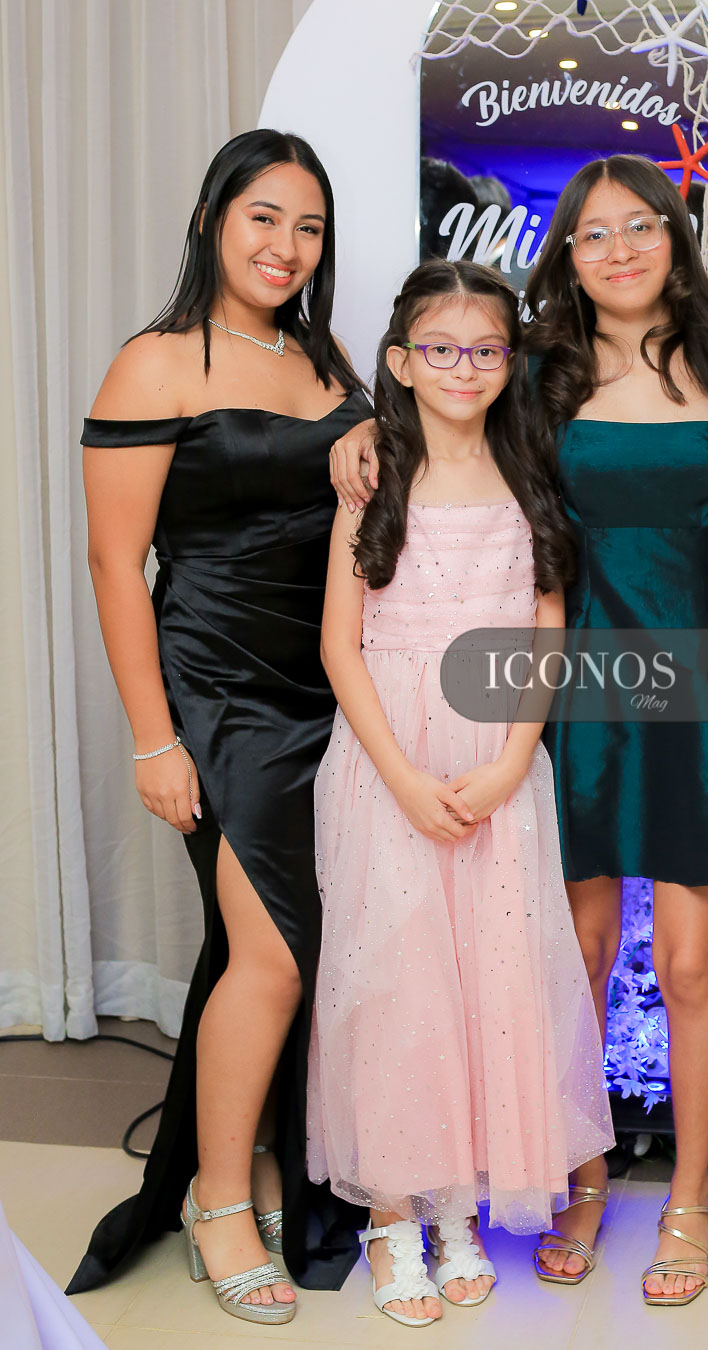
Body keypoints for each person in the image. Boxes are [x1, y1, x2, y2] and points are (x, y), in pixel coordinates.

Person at [326, 155, 708, 1307]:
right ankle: (578, 1177)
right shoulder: (539, 374)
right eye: (593, 233)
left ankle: (691, 1196)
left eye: (641, 225)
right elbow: (441, 404)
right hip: (570, 690)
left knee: (693, 961)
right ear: (566, 253)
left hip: (697, 687)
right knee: (573, 952)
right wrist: (356, 432)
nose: (620, 250)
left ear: (675, 234)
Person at [68, 130, 372, 1326]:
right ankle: (217, 1200)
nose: (286, 246)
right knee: (274, 954)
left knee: (293, 946)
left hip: (326, 687)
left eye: (308, 226)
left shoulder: (321, 355)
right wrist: (155, 737)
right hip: (219, 687)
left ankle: (263, 1163)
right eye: (263, 217)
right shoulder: (154, 362)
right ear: (211, 220)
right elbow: (114, 562)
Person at [307, 258, 613, 1329]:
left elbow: (548, 626)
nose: (463, 367)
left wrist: (514, 758)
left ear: (510, 361)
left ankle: (457, 1207)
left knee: (490, 982)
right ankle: (393, 1215)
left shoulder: (529, 476)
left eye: (485, 349)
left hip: (495, 759)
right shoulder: (371, 479)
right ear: (400, 361)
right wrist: (399, 775)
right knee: (396, 985)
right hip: (389, 758)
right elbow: (339, 644)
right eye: (440, 348)